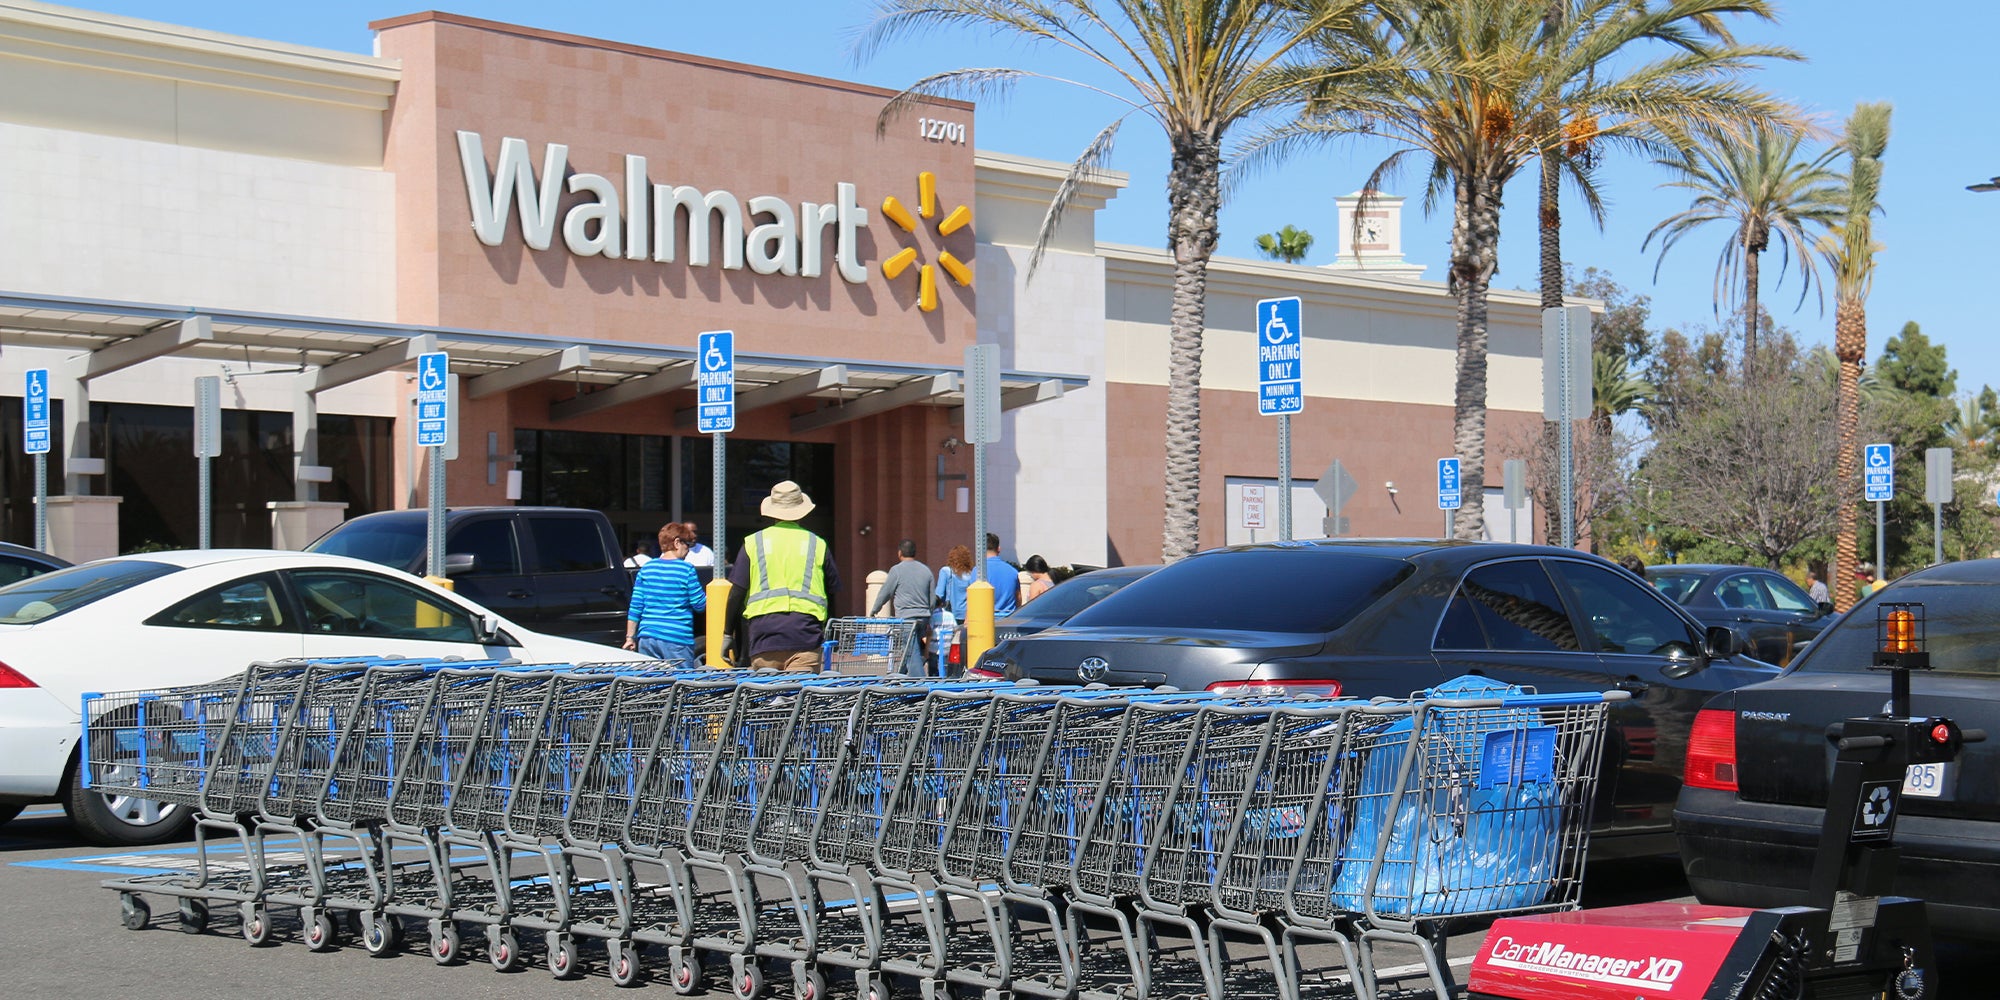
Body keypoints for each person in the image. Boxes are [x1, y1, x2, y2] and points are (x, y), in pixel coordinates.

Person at [726, 481, 839, 672]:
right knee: (800, 698)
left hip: (764, 637)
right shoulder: (817, 544)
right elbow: (832, 591)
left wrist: (728, 634)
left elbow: (736, 593)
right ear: (802, 510)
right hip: (806, 635)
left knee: (767, 695)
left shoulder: (754, 543)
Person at [623, 522, 705, 666]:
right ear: (677, 542)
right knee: (681, 685)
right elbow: (700, 605)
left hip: (647, 638)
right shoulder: (686, 570)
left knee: (651, 685)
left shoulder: (647, 569)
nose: (688, 551)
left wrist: (630, 638)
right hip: (676, 639)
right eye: (687, 545)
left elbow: (635, 607)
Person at [869, 538, 933, 675]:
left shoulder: (896, 570)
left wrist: (875, 609)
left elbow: (885, 592)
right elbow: (932, 598)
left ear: (899, 553)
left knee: (911, 650)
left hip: (906, 618)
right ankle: (902, 675)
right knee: (913, 649)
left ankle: (919, 682)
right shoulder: (926, 571)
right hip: (923, 617)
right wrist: (929, 613)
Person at [984, 533, 1019, 616]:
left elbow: (972, 600)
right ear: (998, 549)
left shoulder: (978, 571)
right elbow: (1018, 598)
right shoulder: (1013, 571)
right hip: (1008, 619)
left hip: (985, 620)